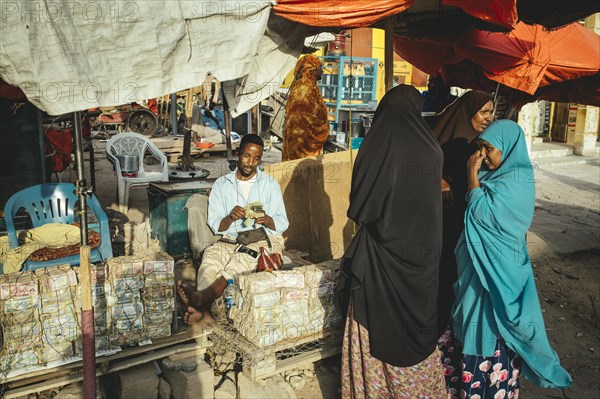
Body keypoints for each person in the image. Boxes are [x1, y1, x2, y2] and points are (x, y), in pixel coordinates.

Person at [333, 85, 446, 398]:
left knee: (374, 330)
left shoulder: (378, 146)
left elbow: (360, 207)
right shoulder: (432, 148)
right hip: (423, 259)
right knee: (418, 328)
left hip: (381, 262)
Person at [448, 120, 572, 398]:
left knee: (494, 327)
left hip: (501, 269)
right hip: (478, 267)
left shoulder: (518, 180)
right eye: (480, 148)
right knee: (471, 321)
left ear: (508, 147)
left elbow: (480, 212)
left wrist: (471, 173)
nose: (483, 155)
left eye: (489, 149)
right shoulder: (493, 178)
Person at [176, 134, 289, 324]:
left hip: (258, 239)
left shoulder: (270, 185)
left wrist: (267, 219)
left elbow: (282, 222)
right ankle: (204, 312)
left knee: (241, 261)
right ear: (238, 154)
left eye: (256, 159)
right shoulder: (222, 185)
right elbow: (215, 223)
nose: (250, 163)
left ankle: (199, 300)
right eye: (246, 156)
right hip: (228, 239)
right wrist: (230, 217)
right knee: (209, 262)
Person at [432, 90, 494, 334]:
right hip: (441, 219)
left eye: (492, 111)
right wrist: (438, 179)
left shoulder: (481, 144)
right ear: (468, 111)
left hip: (467, 218)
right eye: (484, 111)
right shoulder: (440, 138)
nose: (489, 117)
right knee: (443, 273)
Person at [282, 54, 329, 161]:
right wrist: (323, 129)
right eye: (320, 67)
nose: (322, 71)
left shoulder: (301, 85)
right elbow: (310, 120)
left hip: (296, 143)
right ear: (312, 68)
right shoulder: (306, 88)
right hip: (304, 146)